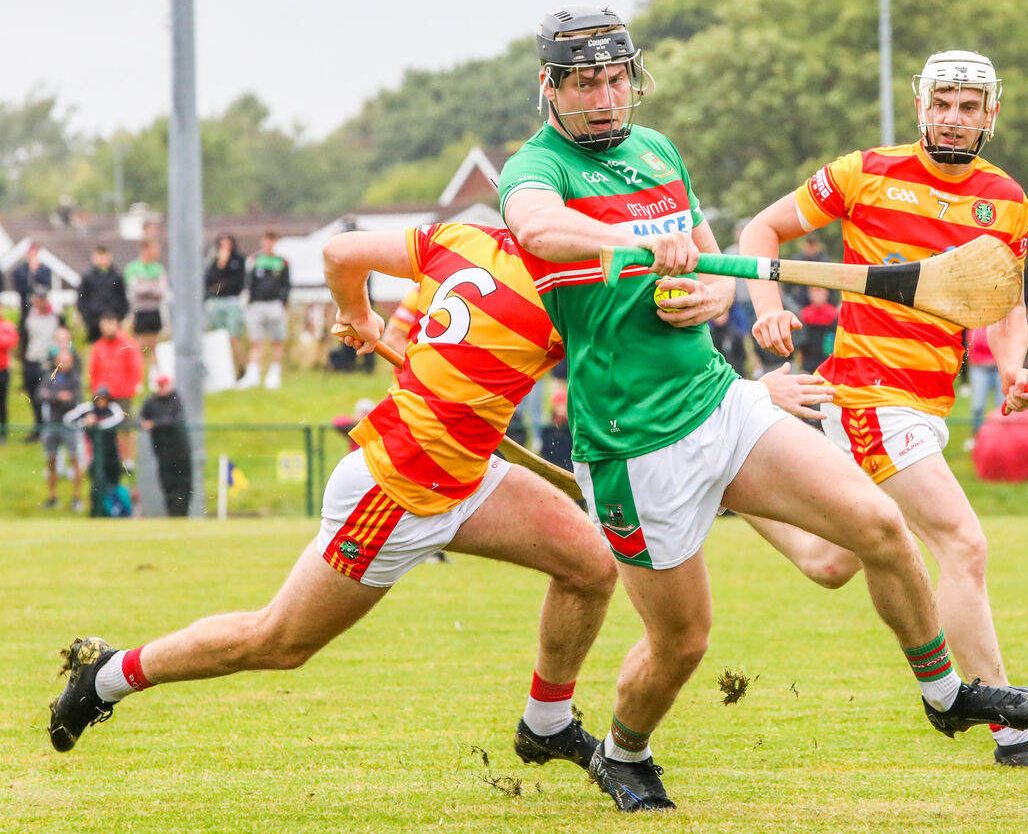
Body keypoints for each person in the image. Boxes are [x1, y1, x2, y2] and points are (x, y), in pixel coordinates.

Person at [501, 12, 1028, 811]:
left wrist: (711, 293)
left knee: (880, 528)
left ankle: (948, 699)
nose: (606, 97)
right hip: (634, 437)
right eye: (585, 82)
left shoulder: (656, 149)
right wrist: (626, 244)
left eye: (617, 78)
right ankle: (623, 753)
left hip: (719, 397)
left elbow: (719, 262)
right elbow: (536, 228)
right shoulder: (537, 167)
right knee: (681, 642)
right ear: (551, 88)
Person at [48, 223, 619, 799]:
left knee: (590, 565)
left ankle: (546, 724)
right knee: (276, 641)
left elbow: (340, 252)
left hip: (468, 473)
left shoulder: (471, 239)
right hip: (392, 491)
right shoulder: (566, 290)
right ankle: (110, 675)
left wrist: (359, 312)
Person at [737, 49, 1028, 770]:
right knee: (963, 543)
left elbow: (1002, 300)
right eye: (943, 103)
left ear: (990, 114)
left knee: (830, 561)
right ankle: (1014, 735)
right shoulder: (865, 172)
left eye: (969, 106)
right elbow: (760, 232)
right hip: (872, 395)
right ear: (921, 106)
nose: (954, 117)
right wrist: (768, 311)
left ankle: (730, 483)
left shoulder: (1006, 199)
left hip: (927, 400)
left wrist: (1010, 365)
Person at [88, 312, 145, 472]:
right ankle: (110, 458)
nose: (108, 328)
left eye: (110, 323)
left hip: (123, 393)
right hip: (104, 395)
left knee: (126, 428)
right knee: (105, 427)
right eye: (105, 324)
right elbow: (94, 370)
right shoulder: (98, 346)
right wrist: (95, 392)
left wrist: (130, 389)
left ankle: (128, 460)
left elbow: (135, 368)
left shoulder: (127, 344)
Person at [63, 385, 128, 517]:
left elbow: (118, 418)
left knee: (113, 483)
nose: (101, 402)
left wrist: (96, 424)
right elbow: (68, 419)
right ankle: (97, 512)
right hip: (94, 454)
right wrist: (84, 423)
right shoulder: (87, 408)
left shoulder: (113, 408)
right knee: (96, 484)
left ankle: (114, 512)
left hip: (112, 453)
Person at [238, 230, 291, 390]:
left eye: (272, 241)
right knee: (256, 341)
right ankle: (253, 374)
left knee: (277, 340)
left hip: (274, 304)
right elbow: (248, 283)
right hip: (257, 305)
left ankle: (274, 374)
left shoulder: (282, 262)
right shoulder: (255, 260)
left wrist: (282, 302)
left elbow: (286, 285)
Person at [37, 347, 85, 511]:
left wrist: (53, 396)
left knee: (75, 460)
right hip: (52, 425)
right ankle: (51, 498)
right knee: (51, 461)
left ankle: (76, 498)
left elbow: (74, 400)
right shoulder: (49, 377)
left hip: (70, 425)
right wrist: (58, 396)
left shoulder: (75, 379)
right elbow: (40, 395)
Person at [139, 374, 193, 517]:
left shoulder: (176, 399)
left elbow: (174, 419)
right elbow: (142, 418)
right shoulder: (151, 402)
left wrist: (155, 424)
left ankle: (182, 514)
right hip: (162, 452)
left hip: (180, 452)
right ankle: (172, 513)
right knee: (167, 484)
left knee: (183, 484)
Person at [124, 236, 169, 375]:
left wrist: (145, 285)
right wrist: (151, 286)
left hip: (154, 310)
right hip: (139, 311)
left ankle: (155, 375)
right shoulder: (132, 268)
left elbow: (161, 291)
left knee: (154, 345)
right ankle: (138, 376)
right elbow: (135, 290)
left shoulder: (158, 268)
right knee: (139, 345)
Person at [22, 285, 61, 442]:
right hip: (31, 360)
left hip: (47, 363)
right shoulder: (28, 317)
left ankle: (50, 428)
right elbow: (24, 338)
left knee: (47, 395)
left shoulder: (55, 317)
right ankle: (38, 426)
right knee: (33, 396)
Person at [204, 232, 247, 368]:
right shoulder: (214, 260)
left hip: (232, 301)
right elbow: (209, 281)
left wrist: (222, 284)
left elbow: (237, 282)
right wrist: (221, 264)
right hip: (217, 302)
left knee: (234, 337)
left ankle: (240, 368)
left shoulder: (239, 260)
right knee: (218, 337)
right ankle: (224, 369)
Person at [76, 245, 129, 344]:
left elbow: (123, 299)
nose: (102, 259)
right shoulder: (87, 278)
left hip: (113, 321)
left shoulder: (117, 277)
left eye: (104, 256)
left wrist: (119, 318)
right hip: (94, 322)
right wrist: (88, 318)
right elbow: (82, 300)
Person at [11, 241, 53, 356]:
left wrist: (35, 273)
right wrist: (31, 273)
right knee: (25, 334)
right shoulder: (20, 270)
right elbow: (20, 288)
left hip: (41, 310)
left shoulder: (45, 270)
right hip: (26, 307)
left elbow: (46, 287)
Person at [0, 312, 16, 442]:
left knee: (2, 401)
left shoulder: (6, 326)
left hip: (2, 369)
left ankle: (3, 432)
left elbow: (10, 342)